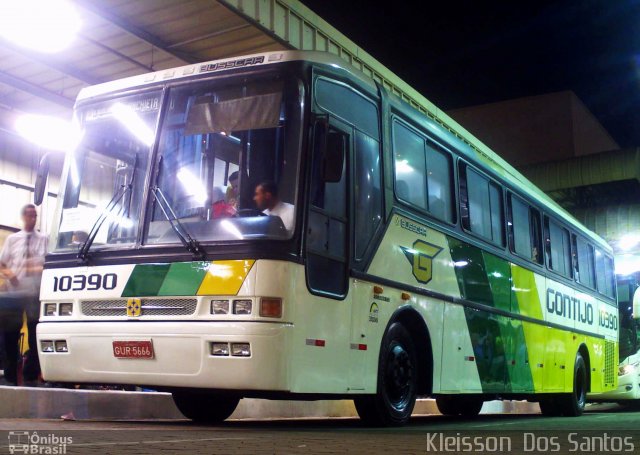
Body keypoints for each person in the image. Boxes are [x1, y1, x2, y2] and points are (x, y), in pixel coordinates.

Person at [0, 204, 47, 386]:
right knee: (10, 334)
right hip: (15, 293)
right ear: (23, 217)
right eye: (29, 215)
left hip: (35, 293)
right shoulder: (13, 239)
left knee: (35, 333)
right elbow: (2, 263)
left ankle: (31, 374)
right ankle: (11, 374)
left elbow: (47, 263)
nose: (33, 218)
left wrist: (35, 268)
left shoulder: (43, 239)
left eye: (35, 215)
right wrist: (11, 276)